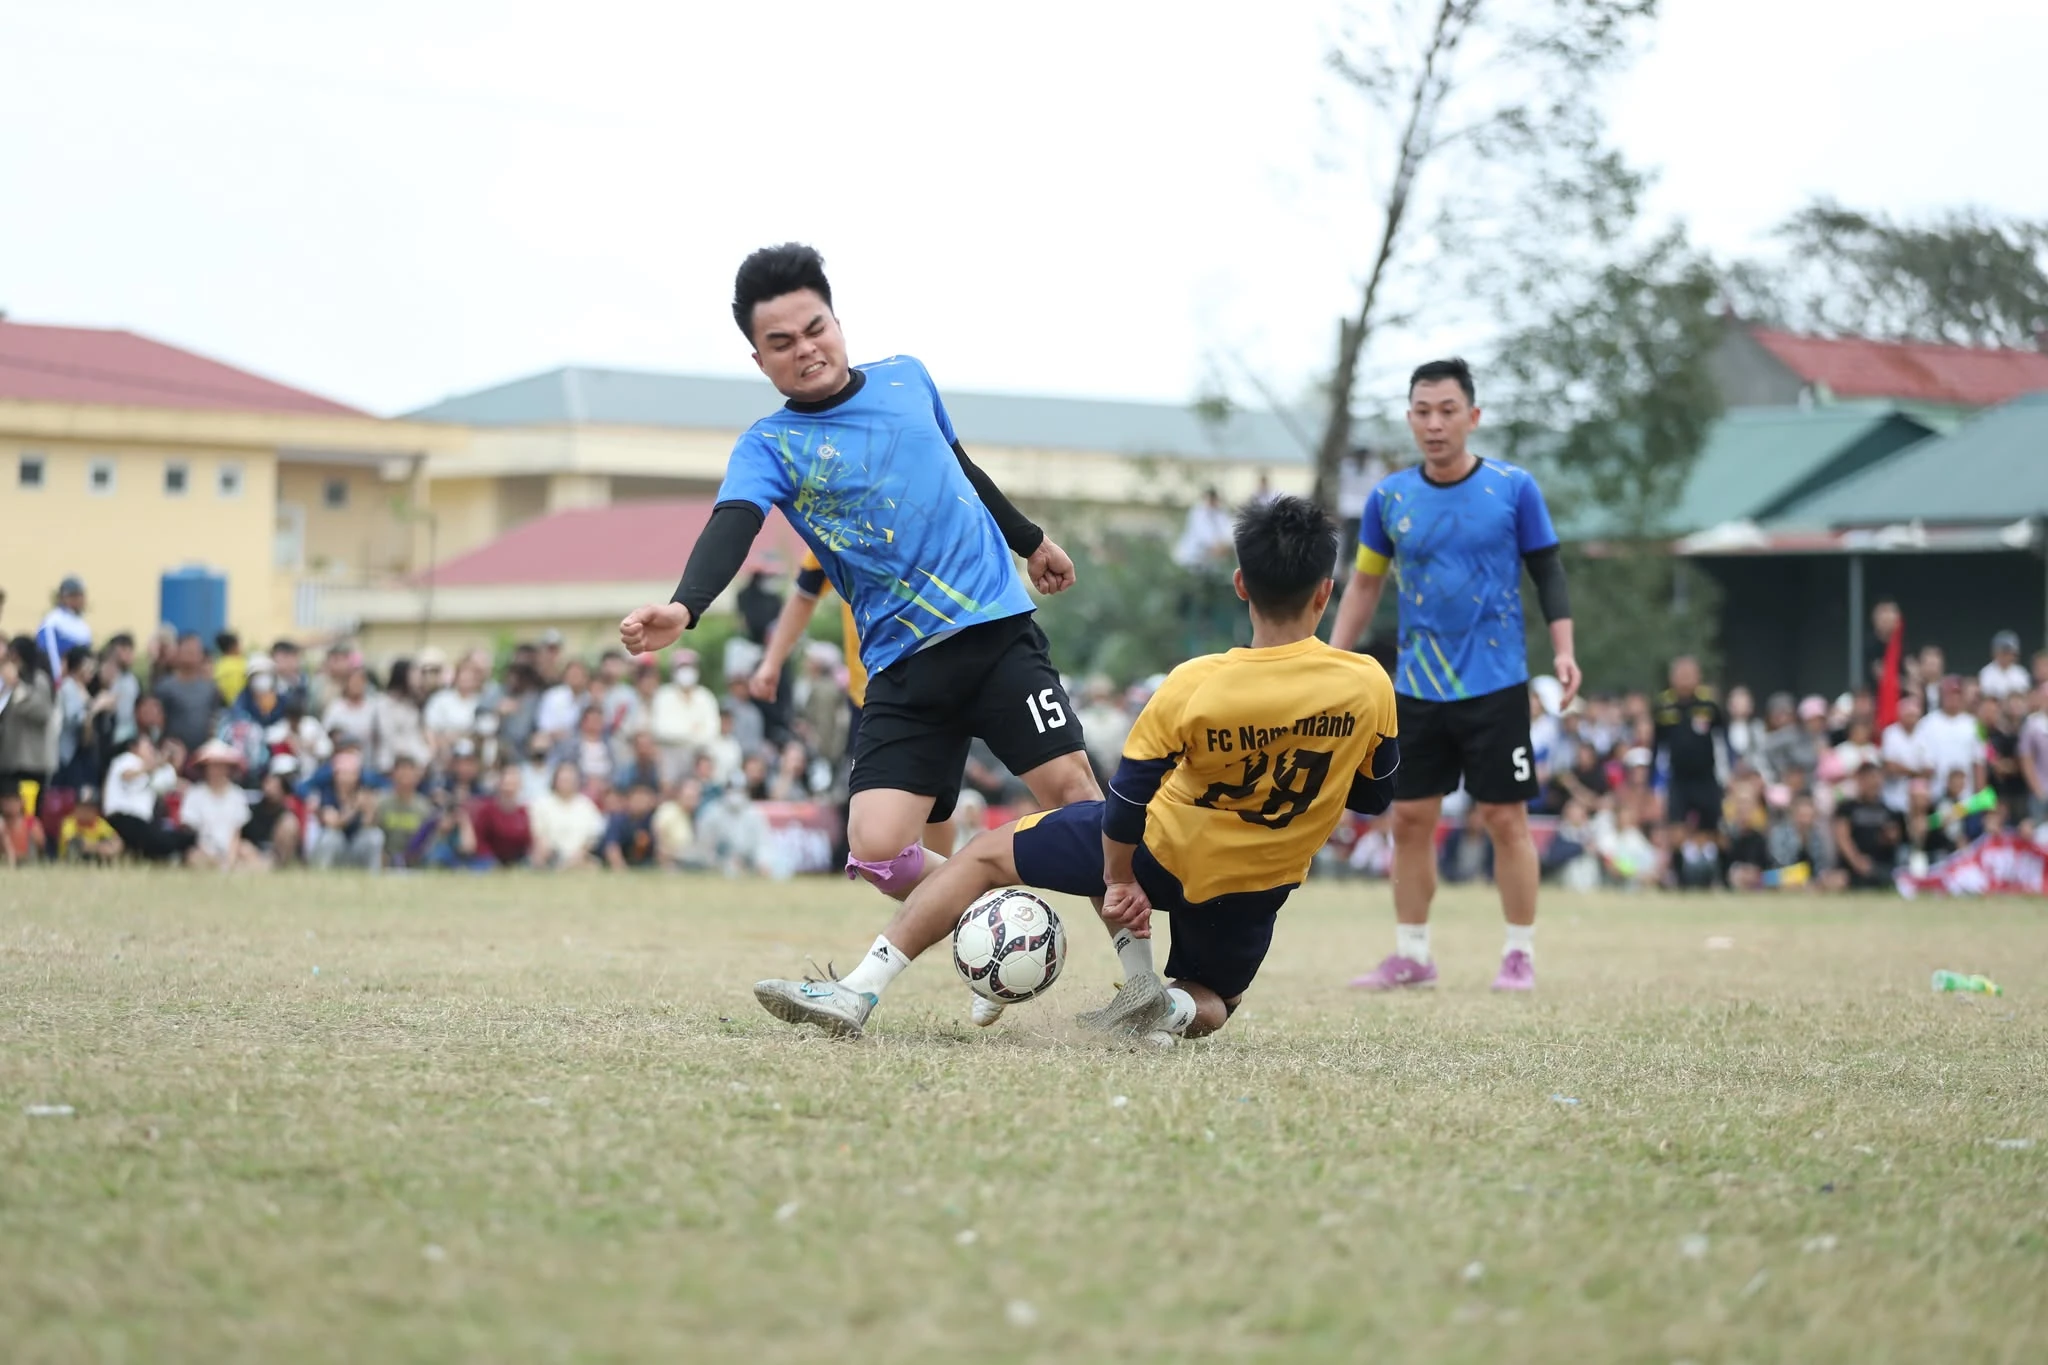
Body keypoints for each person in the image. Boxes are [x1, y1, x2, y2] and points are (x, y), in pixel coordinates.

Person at [753, 496, 1400, 1042]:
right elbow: (1372, 796)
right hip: (1261, 884)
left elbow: (1127, 800)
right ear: (1326, 590)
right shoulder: (1369, 684)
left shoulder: (1196, 685)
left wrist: (1119, 878)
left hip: (1162, 855)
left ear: (1240, 584)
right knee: (1213, 1000)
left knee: (982, 854)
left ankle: (858, 991)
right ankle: (1166, 1006)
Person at [619, 242, 1097, 910]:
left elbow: (959, 465)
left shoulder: (908, 377)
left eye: (816, 328)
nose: (806, 349)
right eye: (781, 342)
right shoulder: (769, 445)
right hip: (901, 667)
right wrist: (685, 607)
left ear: (837, 323)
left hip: (993, 633)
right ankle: (993, 915)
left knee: (1077, 798)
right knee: (877, 853)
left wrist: (1030, 538)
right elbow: (734, 521)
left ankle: (1142, 983)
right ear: (759, 359)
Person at [1328, 358, 1576, 993]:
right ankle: (1412, 955)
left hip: (1496, 682)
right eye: (1422, 411)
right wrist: (1329, 659)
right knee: (1408, 819)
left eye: (1446, 411)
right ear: (1409, 417)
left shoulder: (1513, 488)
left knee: (1505, 820)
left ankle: (1519, 954)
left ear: (1473, 416)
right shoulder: (1389, 499)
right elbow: (1363, 585)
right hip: (1416, 688)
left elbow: (1548, 570)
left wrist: (1565, 650)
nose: (1434, 424)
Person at [748, 548, 958, 859]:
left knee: (934, 806)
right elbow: (804, 593)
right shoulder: (831, 526)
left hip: (926, 685)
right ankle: (938, 889)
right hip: (867, 697)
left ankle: (947, 891)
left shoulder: (917, 517)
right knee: (872, 821)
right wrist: (772, 661)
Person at [1652, 657, 1725, 834]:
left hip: (1706, 777)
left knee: (1711, 829)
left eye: (1689, 674)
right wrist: (1653, 781)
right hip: (1678, 778)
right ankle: (1678, 861)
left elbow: (1722, 738)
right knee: (1676, 828)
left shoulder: (1709, 704)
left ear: (1698, 677)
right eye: (1680, 674)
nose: (1685, 679)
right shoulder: (1663, 706)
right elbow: (1657, 745)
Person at [101, 735, 194, 863]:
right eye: (147, 746)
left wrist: (174, 763)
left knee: (174, 839)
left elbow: (173, 784)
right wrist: (158, 762)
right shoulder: (126, 759)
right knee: (160, 841)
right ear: (134, 748)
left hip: (141, 823)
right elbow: (127, 775)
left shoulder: (151, 771)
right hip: (121, 817)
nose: (152, 750)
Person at [0, 636, 55, 823]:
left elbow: (42, 712)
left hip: (32, 760)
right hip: (9, 758)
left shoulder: (38, 679)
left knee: (29, 812)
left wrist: (16, 686)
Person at [182, 740, 261, 869]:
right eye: (213, 766)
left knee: (249, 852)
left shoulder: (237, 795)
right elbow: (192, 832)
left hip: (232, 848)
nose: (216, 770)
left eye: (221, 766)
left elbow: (237, 832)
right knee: (193, 857)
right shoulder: (195, 794)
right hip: (205, 849)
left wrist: (230, 857)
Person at [649, 649, 721, 784]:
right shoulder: (663, 695)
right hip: (671, 761)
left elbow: (712, 732)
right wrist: (693, 731)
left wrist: (682, 732)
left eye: (689, 667)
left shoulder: (705, 697)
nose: (686, 672)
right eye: (681, 667)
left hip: (699, 759)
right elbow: (661, 730)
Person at [1833, 761, 1904, 891]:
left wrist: (1890, 837)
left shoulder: (1888, 811)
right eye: (1869, 779)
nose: (1874, 783)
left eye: (1877, 779)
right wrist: (1857, 861)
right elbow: (1842, 837)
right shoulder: (1847, 808)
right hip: (1852, 867)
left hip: (1881, 866)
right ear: (1860, 780)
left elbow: (1896, 839)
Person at [154, 633, 223, 754]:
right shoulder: (164, 687)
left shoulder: (210, 688)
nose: (192, 654)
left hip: (202, 755)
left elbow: (215, 720)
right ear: (178, 652)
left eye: (196, 650)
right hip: (173, 754)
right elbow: (156, 722)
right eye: (188, 650)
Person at [531, 762, 607, 868]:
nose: (566, 783)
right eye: (563, 780)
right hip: (551, 856)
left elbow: (594, 835)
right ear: (555, 781)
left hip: (579, 856)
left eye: (569, 780)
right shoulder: (542, 803)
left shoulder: (586, 805)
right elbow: (537, 833)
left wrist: (580, 853)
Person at [468, 766, 536, 868]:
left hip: (517, 860)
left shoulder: (524, 813)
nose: (509, 788)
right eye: (506, 784)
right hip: (488, 861)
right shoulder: (487, 810)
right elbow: (480, 841)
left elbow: (528, 841)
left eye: (513, 784)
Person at [34, 576, 91, 681]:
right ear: (63, 597)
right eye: (74, 596)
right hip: (59, 681)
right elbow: (50, 654)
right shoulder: (53, 621)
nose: (79, 600)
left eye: (81, 595)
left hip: (79, 683)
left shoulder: (83, 627)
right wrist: (57, 679)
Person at [602, 783, 662, 869]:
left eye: (644, 799)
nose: (640, 803)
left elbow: (659, 848)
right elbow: (612, 847)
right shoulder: (619, 820)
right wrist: (621, 869)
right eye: (637, 799)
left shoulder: (652, 821)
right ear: (629, 800)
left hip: (642, 864)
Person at [58, 787, 122, 863]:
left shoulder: (99, 823)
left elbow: (117, 840)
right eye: (82, 807)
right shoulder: (69, 822)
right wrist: (99, 847)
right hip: (71, 862)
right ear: (75, 808)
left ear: (96, 810)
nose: (85, 811)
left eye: (89, 807)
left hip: (95, 859)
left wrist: (112, 849)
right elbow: (74, 842)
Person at [1981, 631, 2029, 700]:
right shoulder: (1986, 672)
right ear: (1995, 653)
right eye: (2003, 652)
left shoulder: (2021, 673)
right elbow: (1986, 697)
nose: (2006, 656)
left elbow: (2025, 697)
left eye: (2008, 652)